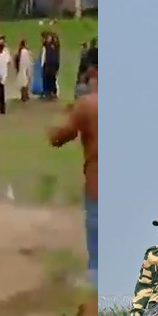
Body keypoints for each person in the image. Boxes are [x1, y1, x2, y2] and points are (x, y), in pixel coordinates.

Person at [48, 50, 98, 288]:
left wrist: (52, 130)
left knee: (98, 253)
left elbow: (60, 137)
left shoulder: (88, 104)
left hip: (98, 185)